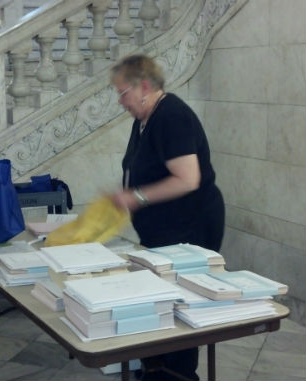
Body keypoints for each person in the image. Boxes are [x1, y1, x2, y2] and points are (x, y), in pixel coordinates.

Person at [109, 55, 225, 381]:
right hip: (163, 229)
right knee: (158, 298)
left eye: (122, 93)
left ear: (144, 86)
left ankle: (178, 373)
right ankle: (156, 367)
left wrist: (136, 197)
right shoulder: (144, 119)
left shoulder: (172, 116)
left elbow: (188, 179)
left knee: (181, 302)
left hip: (190, 226)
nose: (120, 102)